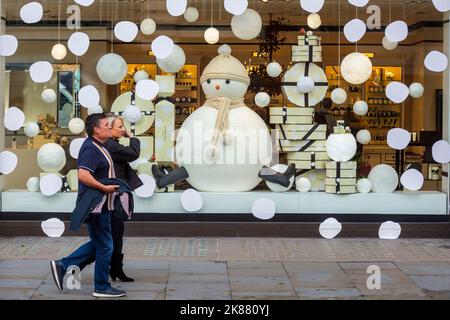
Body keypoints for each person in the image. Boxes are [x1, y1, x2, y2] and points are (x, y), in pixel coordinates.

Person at [50, 113, 126, 298]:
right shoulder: (91, 149)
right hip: (96, 206)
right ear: (96, 129)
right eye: (106, 124)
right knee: (106, 246)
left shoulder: (100, 146)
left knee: (99, 244)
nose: (110, 126)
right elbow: (83, 175)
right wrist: (104, 187)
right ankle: (100, 286)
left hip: (101, 205)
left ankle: (64, 265)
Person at [78, 116, 142, 282]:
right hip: (107, 198)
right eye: (118, 126)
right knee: (106, 241)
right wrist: (132, 136)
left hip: (112, 195)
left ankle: (113, 270)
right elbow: (133, 153)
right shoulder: (106, 145)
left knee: (112, 237)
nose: (122, 129)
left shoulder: (104, 144)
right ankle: (69, 265)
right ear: (98, 129)